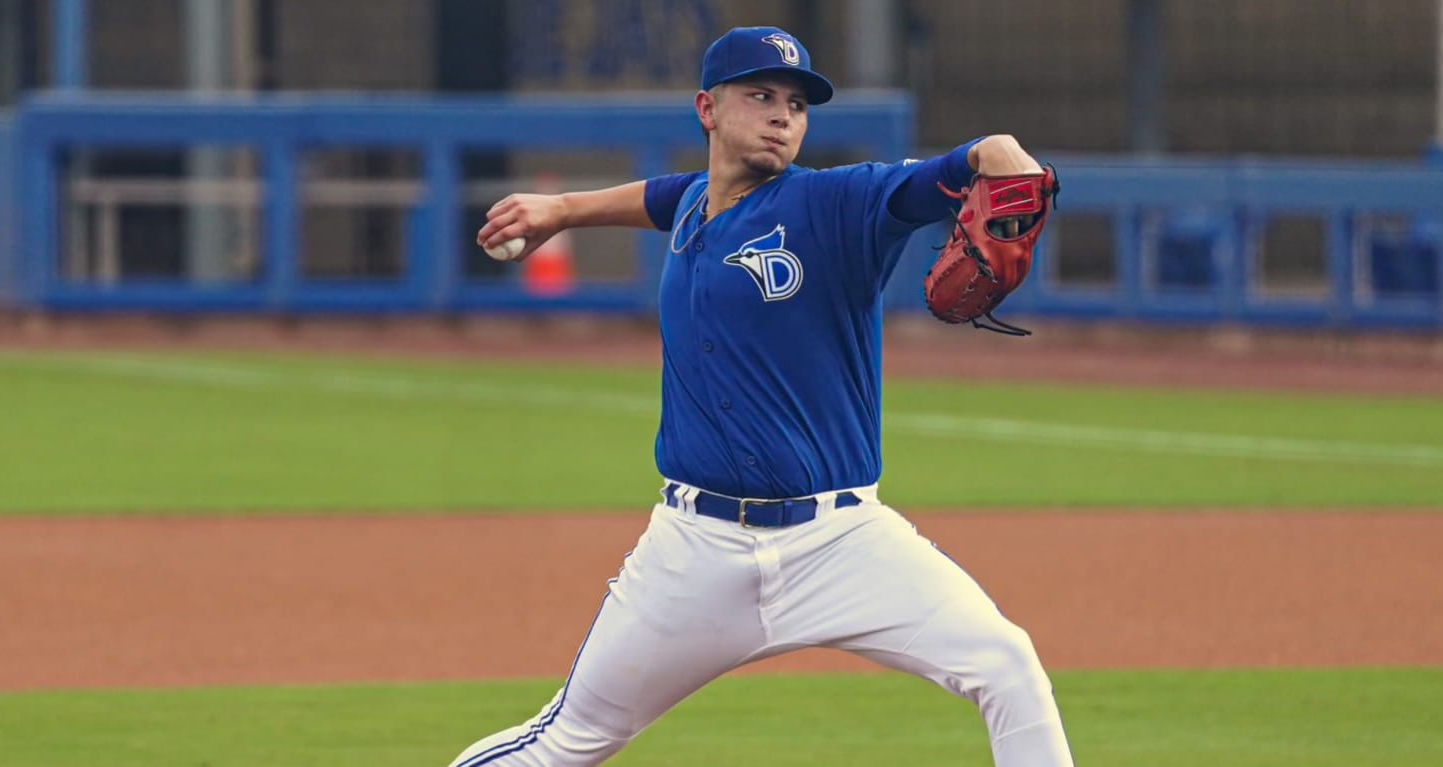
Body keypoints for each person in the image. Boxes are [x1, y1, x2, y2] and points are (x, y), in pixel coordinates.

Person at [452, 26, 1075, 767]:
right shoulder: (693, 206)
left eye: (795, 103)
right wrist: (561, 210)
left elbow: (940, 175)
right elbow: (660, 197)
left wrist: (993, 153)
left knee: (1007, 665)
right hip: (695, 553)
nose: (783, 114)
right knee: (566, 742)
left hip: (842, 540)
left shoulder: (835, 203)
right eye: (761, 95)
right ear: (708, 108)